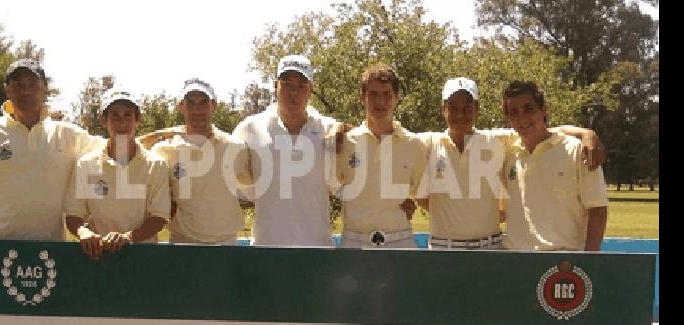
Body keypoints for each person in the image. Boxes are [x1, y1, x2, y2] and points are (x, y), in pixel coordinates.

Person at [416, 77, 607, 250]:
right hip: (496, 255)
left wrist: (586, 133)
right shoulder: (429, 142)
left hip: (538, 257)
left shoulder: (498, 141)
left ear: (477, 109)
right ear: (443, 109)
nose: (460, 114)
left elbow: (544, 130)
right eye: (453, 107)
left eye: (467, 107)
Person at [0, 58, 105, 240]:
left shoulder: (67, 134)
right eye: (18, 84)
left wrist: (145, 140)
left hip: (49, 249)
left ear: (45, 89)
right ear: (7, 89)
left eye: (32, 84)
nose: (25, 90)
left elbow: (115, 149)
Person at [231, 54, 340, 246]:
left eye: (301, 86)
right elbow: (235, 182)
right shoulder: (249, 128)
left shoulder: (331, 129)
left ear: (311, 90)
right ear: (275, 86)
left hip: (317, 249)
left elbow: (339, 184)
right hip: (267, 249)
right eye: (287, 84)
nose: (294, 92)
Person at [500, 80, 609, 251]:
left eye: (528, 109)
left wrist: (590, 260)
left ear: (543, 109)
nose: (522, 118)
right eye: (514, 112)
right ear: (508, 119)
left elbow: (598, 209)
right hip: (515, 261)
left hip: (562, 266)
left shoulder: (578, 150)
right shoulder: (507, 152)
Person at [64, 89, 170, 259]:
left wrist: (127, 238)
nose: (122, 123)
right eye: (115, 115)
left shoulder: (156, 165)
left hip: (143, 258)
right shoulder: (86, 164)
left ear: (138, 120)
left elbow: (159, 217)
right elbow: (73, 215)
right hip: (97, 257)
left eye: (128, 115)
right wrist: (83, 233)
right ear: (103, 120)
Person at [334, 64, 428, 248]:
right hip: (354, 243)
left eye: (387, 94)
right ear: (362, 97)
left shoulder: (414, 145)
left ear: (397, 97)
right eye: (373, 94)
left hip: (400, 242)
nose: (380, 102)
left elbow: (424, 195)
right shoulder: (343, 142)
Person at [149, 79, 252, 245]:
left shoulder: (236, 147)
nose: (197, 109)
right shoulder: (163, 151)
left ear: (213, 106)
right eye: (190, 103)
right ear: (180, 106)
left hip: (227, 245)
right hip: (182, 244)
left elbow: (251, 186)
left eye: (203, 102)